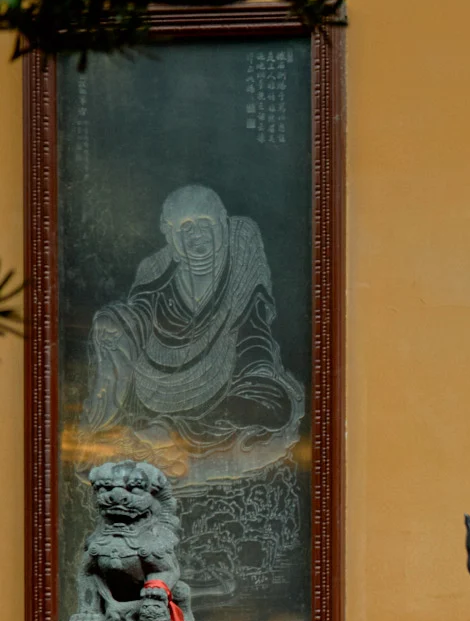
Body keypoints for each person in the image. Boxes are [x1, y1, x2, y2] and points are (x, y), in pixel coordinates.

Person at [81, 184, 305, 481]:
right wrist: (114, 324)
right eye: (185, 227)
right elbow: (138, 317)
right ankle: (163, 432)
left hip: (227, 383)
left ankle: (168, 431)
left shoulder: (241, 262)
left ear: (222, 227)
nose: (196, 234)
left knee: (276, 403)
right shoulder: (156, 272)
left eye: (205, 223)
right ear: (171, 237)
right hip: (164, 387)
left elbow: (254, 333)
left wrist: (258, 374)